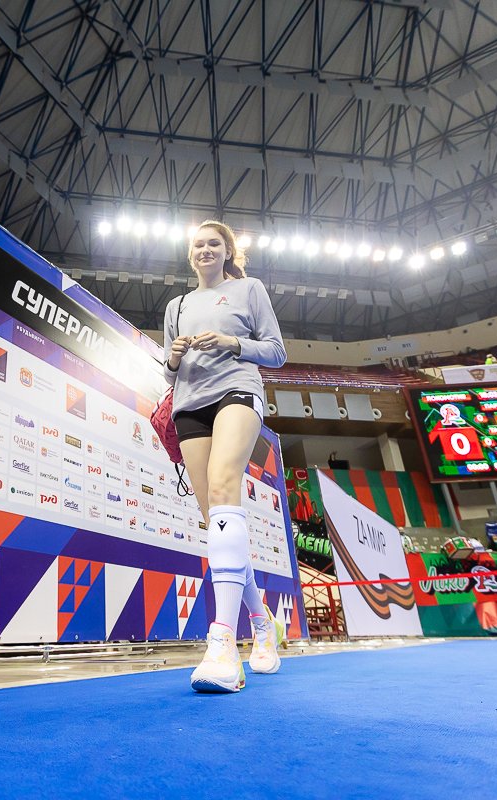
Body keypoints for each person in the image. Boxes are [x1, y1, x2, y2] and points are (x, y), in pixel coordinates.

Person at [164, 220, 287, 693]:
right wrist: (174, 357)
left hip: (238, 389)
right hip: (188, 405)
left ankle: (222, 644)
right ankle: (261, 622)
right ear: (190, 254)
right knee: (217, 521)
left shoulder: (249, 289)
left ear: (227, 251)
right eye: (198, 244)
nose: (205, 250)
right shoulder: (177, 305)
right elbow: (168, 376)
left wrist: (232, 342)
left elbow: (276, 352)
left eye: (214, 243)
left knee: (222, 486)